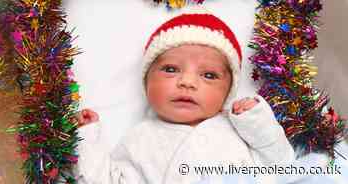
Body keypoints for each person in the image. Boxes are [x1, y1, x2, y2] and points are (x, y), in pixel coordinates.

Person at [76, 7, 295, 184]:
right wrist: (88, 138)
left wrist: (255, 121)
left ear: (228, 92)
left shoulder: (240, 129)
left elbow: (282, 163)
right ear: (147, 81)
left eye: (209, 75)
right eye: (171, 69)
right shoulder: (139, 140)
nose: (187, 82)